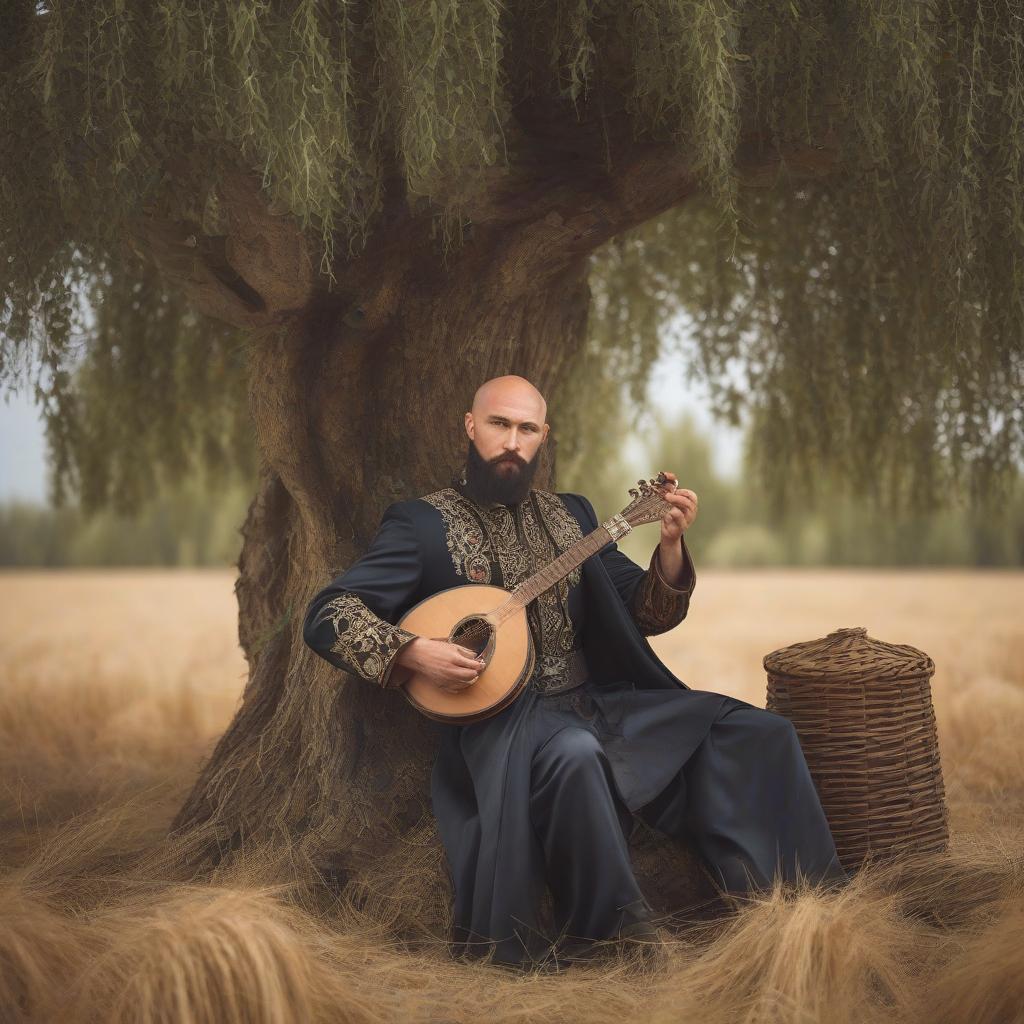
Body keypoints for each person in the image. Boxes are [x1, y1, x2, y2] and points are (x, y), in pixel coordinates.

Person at [302, 375, 847, 968]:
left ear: (542, 437)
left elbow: (644, 611)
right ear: (470, 426)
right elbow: (330, 612)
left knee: (758, 732)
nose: (512, 441)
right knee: (576, 755)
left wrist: (667, 547)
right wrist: (412, 652)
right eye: (499, 425)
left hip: (594, 701)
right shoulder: (420, 524)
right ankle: (616, 942)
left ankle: (806, 907)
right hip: (502, 726)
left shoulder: (573, 515)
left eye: (526, 429)